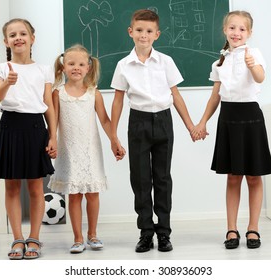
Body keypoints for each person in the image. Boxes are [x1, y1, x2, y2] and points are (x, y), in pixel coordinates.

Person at [110, 9, 195, 253]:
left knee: (162, 178)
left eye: (149, 31)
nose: (143, 35)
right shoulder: (123, 65)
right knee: (140, 179)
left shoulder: (165, 62)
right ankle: (146, 232)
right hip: (137, 122)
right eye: (139, 30)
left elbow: (176, 96)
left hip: (163, 121)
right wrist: (113, 136)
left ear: (157, 34)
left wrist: (190, 126)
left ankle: (164, 233)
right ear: (130, 32)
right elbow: (117, 101)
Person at [191, 10, 271, 249]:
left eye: (242, 29)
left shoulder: (254, 53)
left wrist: (252, 65)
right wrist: (202, 122)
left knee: (254, 176)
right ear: (225, 30)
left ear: (249, 33)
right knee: (232, 177)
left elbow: (260, 78)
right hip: (228, 118)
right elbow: (215, 97)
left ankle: (253, 228)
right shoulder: (220, 60)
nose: (236, 33)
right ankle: (231, 229)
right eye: (232, 28)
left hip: (250, 117)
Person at [0, 18, 57, 260]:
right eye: (13, 35)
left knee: (37, 187)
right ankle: (18, 238)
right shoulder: (0, 68)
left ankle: (34, 238)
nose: (18, 38)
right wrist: (7, 82)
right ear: (6, 41)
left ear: (32, 38)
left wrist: (53, 136)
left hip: (36, 127)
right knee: (12, 186)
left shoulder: (44, 69)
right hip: (10, 126)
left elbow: (49, 105)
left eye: (23, 33)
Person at [47, 44, 125, 254]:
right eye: (71, 64)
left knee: (92, 193)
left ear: (88, 68)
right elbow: (52, 122)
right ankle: (77, 238)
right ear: (63, 67)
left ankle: (92, 234)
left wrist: (114, 141)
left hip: (91, 151)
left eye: (81, 64)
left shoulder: (94, 94)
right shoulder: (58, 93)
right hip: (69, 151)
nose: (76, 68)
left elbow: (105, 121)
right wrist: (51, 141)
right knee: (74, 195)